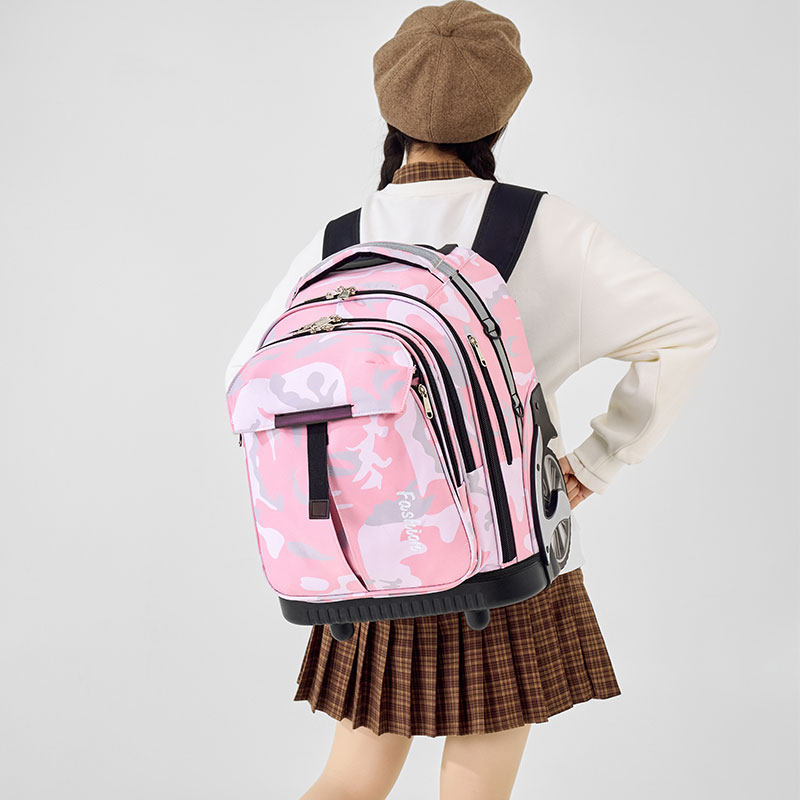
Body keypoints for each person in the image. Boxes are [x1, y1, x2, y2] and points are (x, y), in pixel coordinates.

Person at [224, 2, 720, 798]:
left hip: (366, 560)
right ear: (502, 112)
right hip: (498, 553)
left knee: (347, 782)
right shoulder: (542, 225)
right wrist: (598, 459)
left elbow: (244, 380)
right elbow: (686, 328)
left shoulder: (338, 243)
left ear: (390, 107)